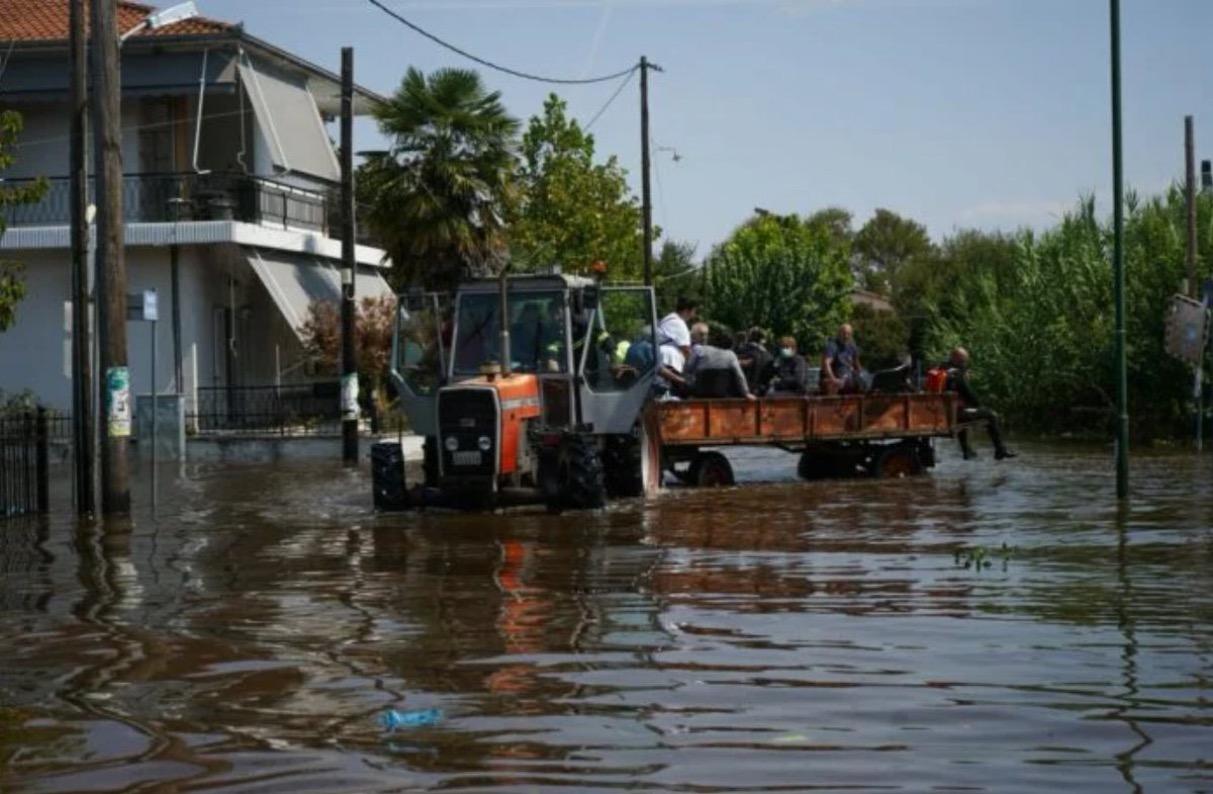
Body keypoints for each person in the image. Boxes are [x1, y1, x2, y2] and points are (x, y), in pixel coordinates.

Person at [944, 346, 1017, 461]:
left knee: (966, 412)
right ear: (954, 358)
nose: (964, 364)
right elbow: (968, 393)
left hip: (944, 412)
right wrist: (980, 406)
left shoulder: (942, 368)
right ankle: (1000, 450)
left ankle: (966, 451)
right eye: (962, 361)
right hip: (955, 414)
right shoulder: (956, 373)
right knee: (991, 415)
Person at [683, 322, 757, 400]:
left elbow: (687, 370)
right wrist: (746, 393)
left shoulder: (698, 350)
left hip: (698, 393)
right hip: (722, 394)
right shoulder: (731, 355)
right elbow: (739, 376)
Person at [822, 323, 862, 394]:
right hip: (836, 378)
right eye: (844, 333)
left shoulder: (852, 347)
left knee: (863, 382)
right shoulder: (832, 346)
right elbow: (826, 363)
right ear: (839, 333)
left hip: (848, 377)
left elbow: (857, 365)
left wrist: (860, 375)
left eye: (848, 334)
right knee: (834, 383)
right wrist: (833, 379)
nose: (846, 336)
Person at [658, 296, 700, 361]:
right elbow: (686, 350)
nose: (693, 315)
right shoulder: (679, 324)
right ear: (686, 311)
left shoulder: (667, 319)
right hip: (668, 360)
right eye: (694, 312)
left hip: (659, 358)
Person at [735, 327, 773, 395]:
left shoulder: (743, 351)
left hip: (745, 391)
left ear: (750, 337)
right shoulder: (768, 355)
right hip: (763, 392)